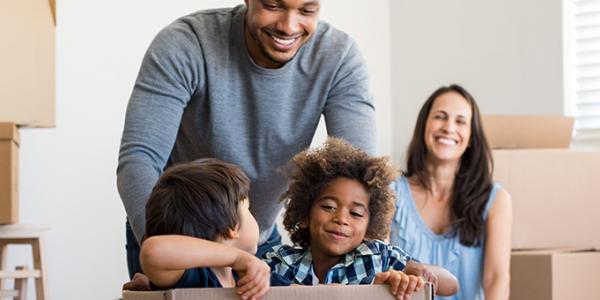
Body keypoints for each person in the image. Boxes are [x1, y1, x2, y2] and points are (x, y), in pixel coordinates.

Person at [117, 0, 376, 279]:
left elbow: (363, 175)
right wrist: (158, 256)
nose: (289, 26)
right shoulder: (187, 42)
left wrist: (377, 265)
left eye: (307, 10)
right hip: (175, 245)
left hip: (259, 240)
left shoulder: (338, 57)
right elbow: (140, 157)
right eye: (273, 5)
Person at [264, 138, 459, 300]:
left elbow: (451, 285)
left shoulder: (379, 258)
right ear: (305, 215)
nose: (341, 219)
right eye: (329, 207)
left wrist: (418, 270)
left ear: (369, 227)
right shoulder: (281, 261)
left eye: (355, 213)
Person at [389, 85, 512, 300]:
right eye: (440, 117)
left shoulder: (496, 200)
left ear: (472, 137)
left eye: (461, 121)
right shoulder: (390, 192)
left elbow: (496, 279)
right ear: (424, 126)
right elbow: (378, 270)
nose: (448, 127)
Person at [134, 158, 277, 300]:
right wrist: (237, 258)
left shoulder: (251, 279)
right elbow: (152, 252)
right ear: (233, 227)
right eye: (248, 209)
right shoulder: (195, 280)